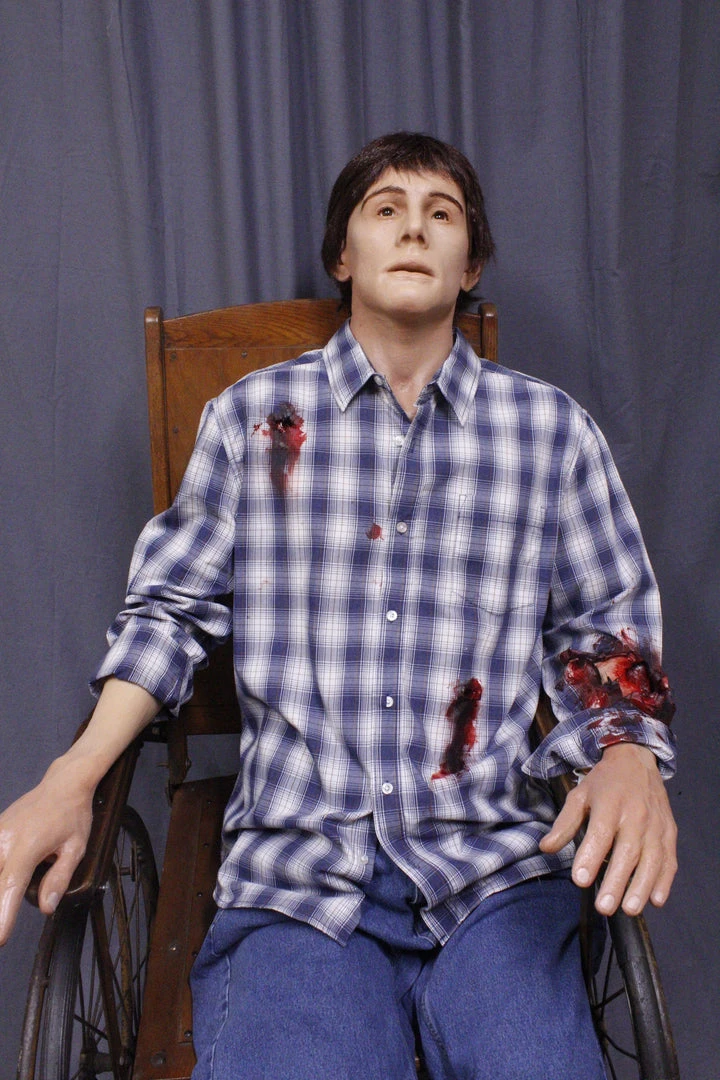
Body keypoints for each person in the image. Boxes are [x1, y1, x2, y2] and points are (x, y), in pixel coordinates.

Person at [0, 133, 677, 1080]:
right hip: (302, 879)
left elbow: (602, 622)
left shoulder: (550, 432)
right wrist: (72, 777)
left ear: (470, 265)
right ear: (343, 256)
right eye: (385, 209)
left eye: (441, 214)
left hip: (492, 871)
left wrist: (626, 751)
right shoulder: (253, 421)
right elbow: (169, 615)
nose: (414, 228)